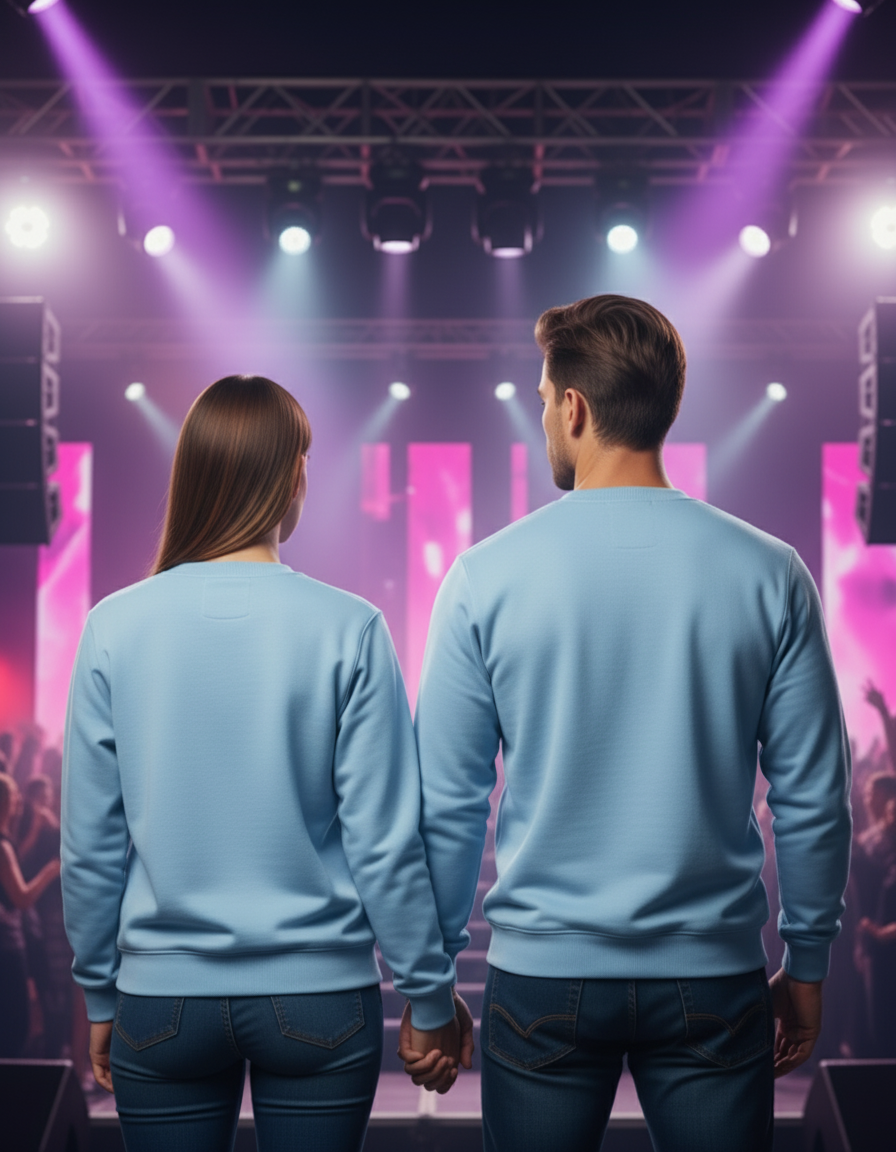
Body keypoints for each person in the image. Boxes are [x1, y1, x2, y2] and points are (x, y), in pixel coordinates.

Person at [406, 296, 852, 1151]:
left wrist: (432, 990)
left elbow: (450, 806)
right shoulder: (773, 573)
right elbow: (811, 797)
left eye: (542, 399)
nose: (543, 417)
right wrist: (808, 961)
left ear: (575, 407)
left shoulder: (482, 577)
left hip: (542, 976)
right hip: (712, 973)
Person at [62, 375, 470, 1152]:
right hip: (318, 995)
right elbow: (383, 844)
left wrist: (100, 996)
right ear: (292, 477)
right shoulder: (351, 627)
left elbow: (91, 846)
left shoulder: (112, 627)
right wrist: (428, 996)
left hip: (162, 997)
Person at [0, 772, 61, 1057]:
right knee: (15, 1024)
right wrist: (50, 872)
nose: (20, 805)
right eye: (15, 799)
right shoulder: (2, 846)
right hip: (7, 944)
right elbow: (22, 898)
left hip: (10, 941)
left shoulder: (7, 842)